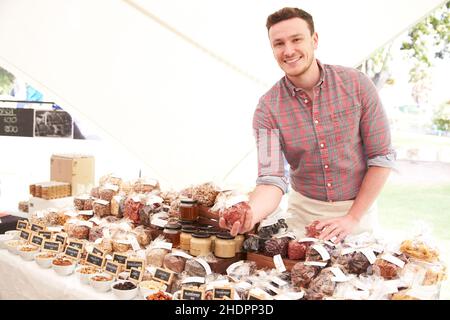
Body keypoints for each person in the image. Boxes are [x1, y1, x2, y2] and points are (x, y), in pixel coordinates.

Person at [219, 7, 395, 243]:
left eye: (296, 39)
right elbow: (271, 179)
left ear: (314, 40)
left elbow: (381, 158)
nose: (288, 50)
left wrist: (352, 217)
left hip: (358, 217)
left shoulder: (357, 85)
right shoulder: (267, 108)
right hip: (303, 219)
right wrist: (250, 215)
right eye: (279, 43)